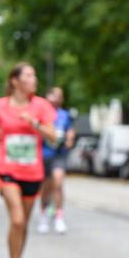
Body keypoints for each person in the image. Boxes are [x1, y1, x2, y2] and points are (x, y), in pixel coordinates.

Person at [0, 63, 56, 258]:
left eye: (34, 75)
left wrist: (35, 124)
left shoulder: (41, 106)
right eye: (29, 75)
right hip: (7, 170)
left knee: (23, 225)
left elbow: (53, 137)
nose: (34, 79)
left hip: (33, 172)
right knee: (17, 220)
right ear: (15, 81)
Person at [37, 87, 76, 234]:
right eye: (52, 95)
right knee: (46, 188)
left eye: (58, 96)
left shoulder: (65, 115)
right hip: (44, 154)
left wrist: (70, 139)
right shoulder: (40, 115)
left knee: (58, 182)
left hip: (59, 154)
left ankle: (59, 216)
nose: (55, 98)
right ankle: (44, 215)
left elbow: (70, 130)